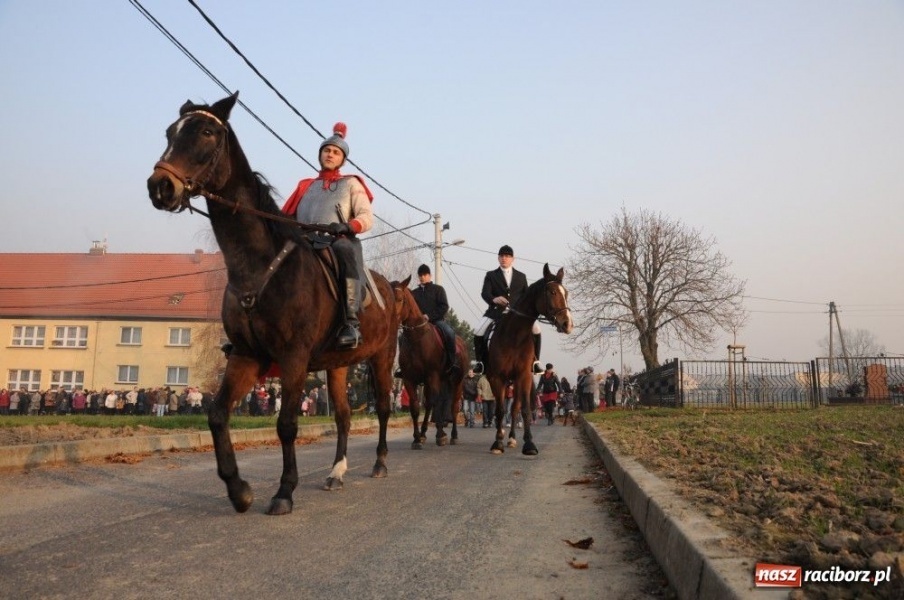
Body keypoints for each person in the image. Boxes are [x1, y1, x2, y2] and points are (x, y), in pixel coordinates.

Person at [281, 122, 374, 349]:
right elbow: (286, 217)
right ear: (320, 154)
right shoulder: (305, 185)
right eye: (326, 150)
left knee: (344, 250)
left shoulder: (351, 183)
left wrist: (348, 226)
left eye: (335, 152)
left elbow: (366, 216)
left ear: (342, 159)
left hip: (336, 240)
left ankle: (351, 323)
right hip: (303, 240)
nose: (330, 154)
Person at [472, 245, 542, 375]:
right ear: (498, 258)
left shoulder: (521, 276)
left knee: (537, 329)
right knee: (478, 330)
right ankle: (480, 362)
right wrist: (494, 299)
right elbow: (485, 293)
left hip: (518, 315)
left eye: (507, 256)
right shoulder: (491, 275)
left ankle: (536, 361)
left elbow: (526, 297)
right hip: (496, 312)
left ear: (512, 259)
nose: (504, 258)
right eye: (502, 256)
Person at [410, 264, 459, 374]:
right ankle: (405, 366)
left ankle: (452, 362)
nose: (422, 277)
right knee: (402, 337)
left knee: (450, 332)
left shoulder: (438, 290)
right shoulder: (414, 293)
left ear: (430, 275)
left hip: (436, 321)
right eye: (420, 275)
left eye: (424, 275)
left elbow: (444, 306)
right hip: (418, 325)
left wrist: (429, 316)